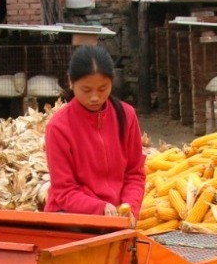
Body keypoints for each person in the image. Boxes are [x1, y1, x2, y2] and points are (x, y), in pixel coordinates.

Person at [44, 45, 146, 224]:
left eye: (102, 89)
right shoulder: (58, 127)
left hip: (115, 218)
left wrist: (130, 207)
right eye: (86, 90)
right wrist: (100, 208)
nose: (95, 98)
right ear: (71, 82)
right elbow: (64, 191)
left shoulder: (127, 115)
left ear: (112, 82)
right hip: (70, 219)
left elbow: (134, 174)